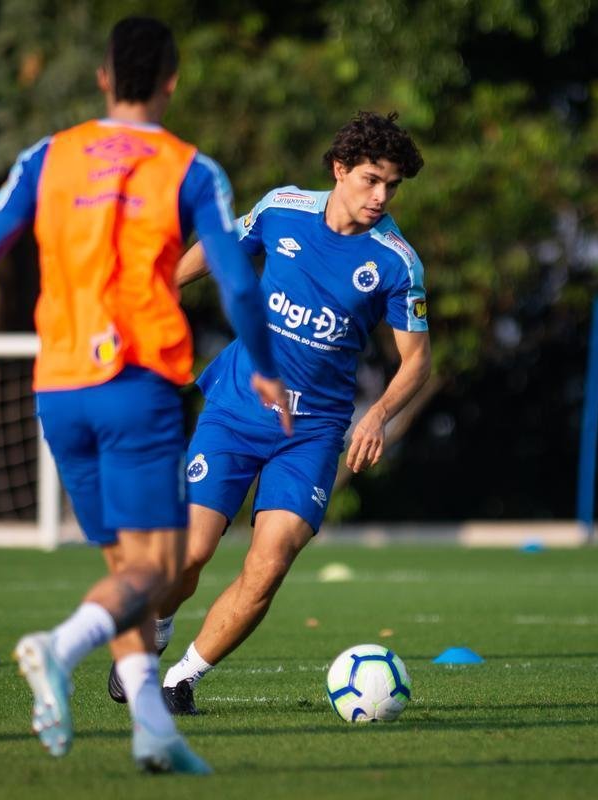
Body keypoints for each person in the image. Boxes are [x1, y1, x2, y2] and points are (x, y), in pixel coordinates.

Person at [0, 17, 288, 774]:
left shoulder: (48, 156)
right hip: (137, 385)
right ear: (171, 80)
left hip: (58, 388)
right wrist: (262, 363)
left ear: (102, 78)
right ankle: (59, 649)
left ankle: (152, 731)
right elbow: (234, 277)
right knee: (157, 571)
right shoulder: (192, 169)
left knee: (125, 567)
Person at [139, 111, 431, 715]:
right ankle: (160, 626)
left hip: (313, 434)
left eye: (392, 186)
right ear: (339, 169)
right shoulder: (283, 207)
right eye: (371, 180)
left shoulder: (397, 262)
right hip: (237, 409)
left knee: (268, 564)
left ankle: (182, 680)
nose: (381, 196)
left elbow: (416, 361)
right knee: (191, 554)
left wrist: (377, 415)